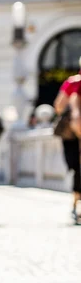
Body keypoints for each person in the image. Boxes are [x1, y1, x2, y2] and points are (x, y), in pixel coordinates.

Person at [54, 58, 81, 222]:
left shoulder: (72, 83)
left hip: (71, 133)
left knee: (76, 167)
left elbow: (58, 106)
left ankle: (75, 204)